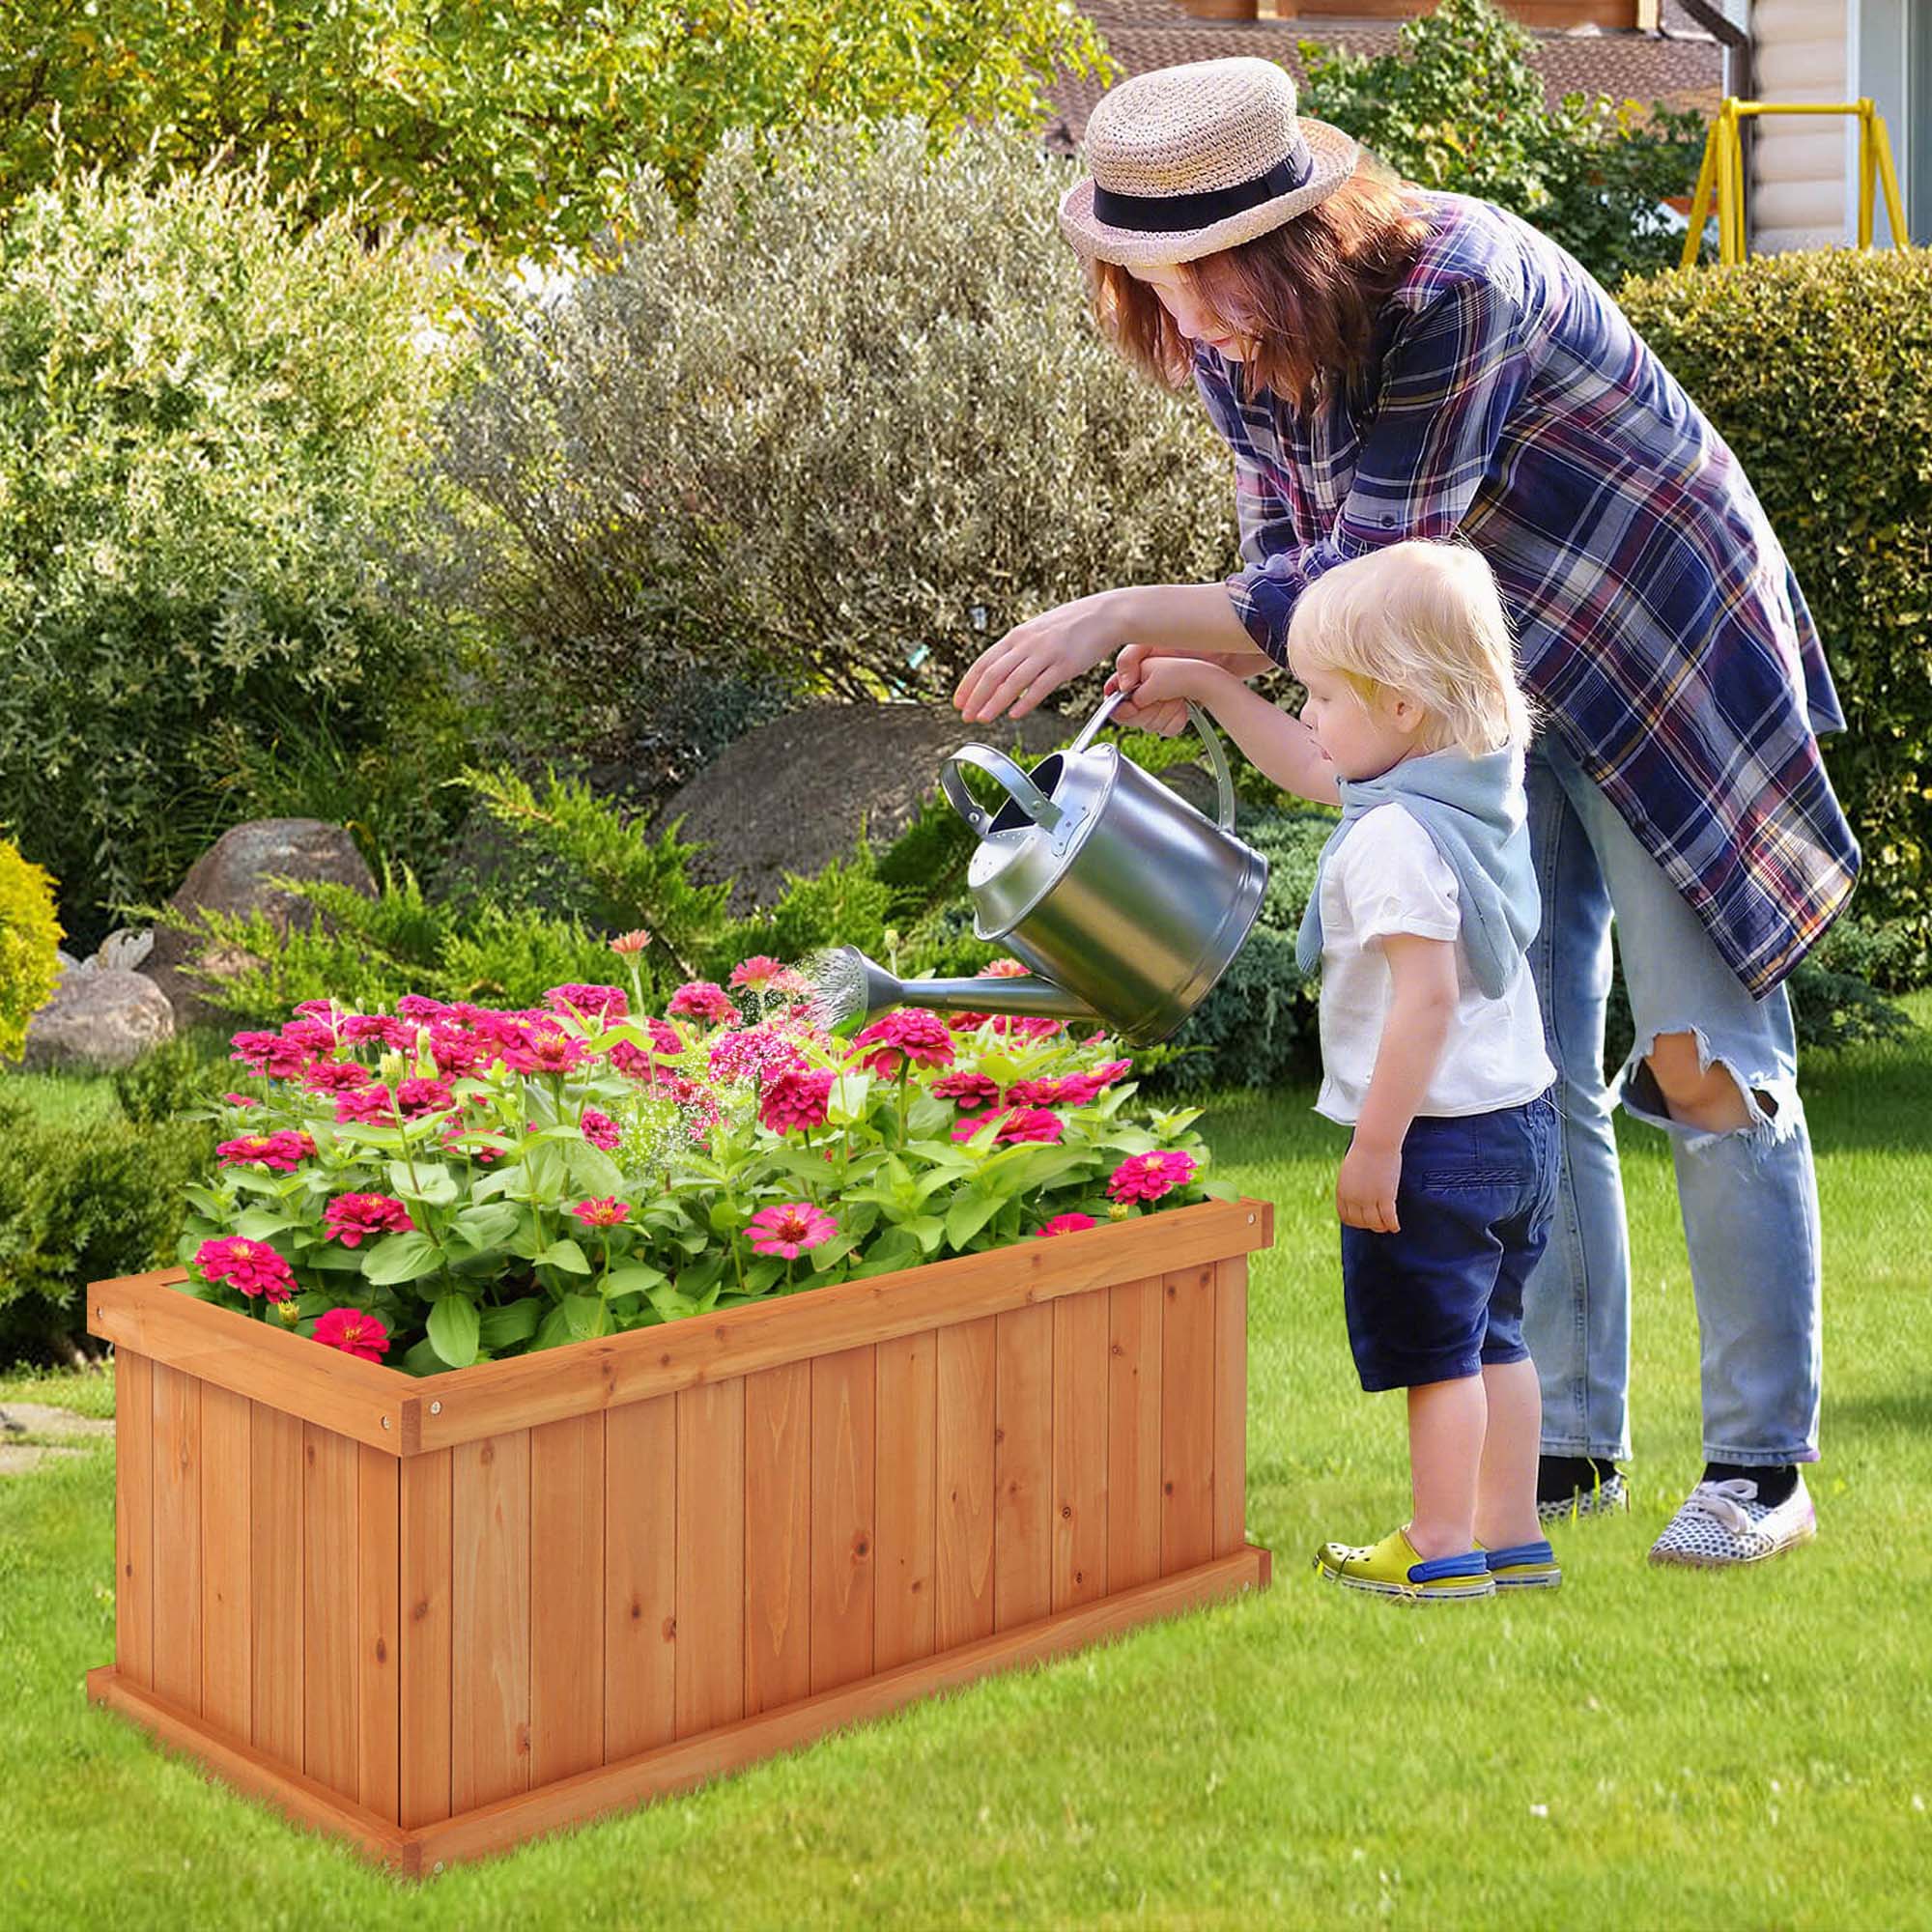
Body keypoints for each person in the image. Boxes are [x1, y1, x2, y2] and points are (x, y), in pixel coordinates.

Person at [952, 56, 1856, 1568]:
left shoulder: (1456, 284)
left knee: (1705, 1061)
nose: (1193, 321)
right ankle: (1563, 1444)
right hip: (1476, 693)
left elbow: (1375, 564)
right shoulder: (1234, 342)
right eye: (1156, 286)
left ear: (1298, 238)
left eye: (1210, 277)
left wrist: (1122, 611)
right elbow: (1293, 582)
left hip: (1654, 647)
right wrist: (1212, 671)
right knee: (1516, 1062)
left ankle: (1761, 1470)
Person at [1118, 540, 1561, 1599]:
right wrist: (1207, 684)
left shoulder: (1392, 838)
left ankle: (1438, 1544)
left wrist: (1376, 1144)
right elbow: (1318, 767)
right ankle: (1510, 1535)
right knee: (1497, 1338)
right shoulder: (1472, 781)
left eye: (1321, 695)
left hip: (1433, 1136)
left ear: (1401, 706)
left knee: (1437, 1356)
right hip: (1518, 1122)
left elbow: (1425, 1000)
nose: (1307, 715)